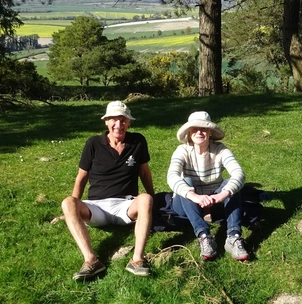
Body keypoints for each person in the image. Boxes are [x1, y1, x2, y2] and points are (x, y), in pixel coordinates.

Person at [53, 100, 154, 281]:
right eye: (114, 120)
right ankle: (91, 261)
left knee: (145, 198)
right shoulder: (93, 143)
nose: (118, 124)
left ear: (129, 122)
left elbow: (144, 172)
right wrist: (71, 211)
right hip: (96, 207)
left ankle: (137, 260)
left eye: (123, 120)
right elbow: (81, 177)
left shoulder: (138, 141)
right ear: (106, 121)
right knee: (67, 202)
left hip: (126, 205)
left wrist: (153, 199)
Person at [167, 111, 249, 261]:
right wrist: (194, 196)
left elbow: (239, 173)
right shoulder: (182, 150)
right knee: (187, 182)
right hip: (187, 205)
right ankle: (204, 235)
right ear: (189, 133)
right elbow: (171, 176)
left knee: (231, 184)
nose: (199, 132)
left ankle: (233, 237)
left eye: (204, 129)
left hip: (215, 201)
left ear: (210, 132)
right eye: (195, 129)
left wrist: (222, 194)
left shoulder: (220, 149)